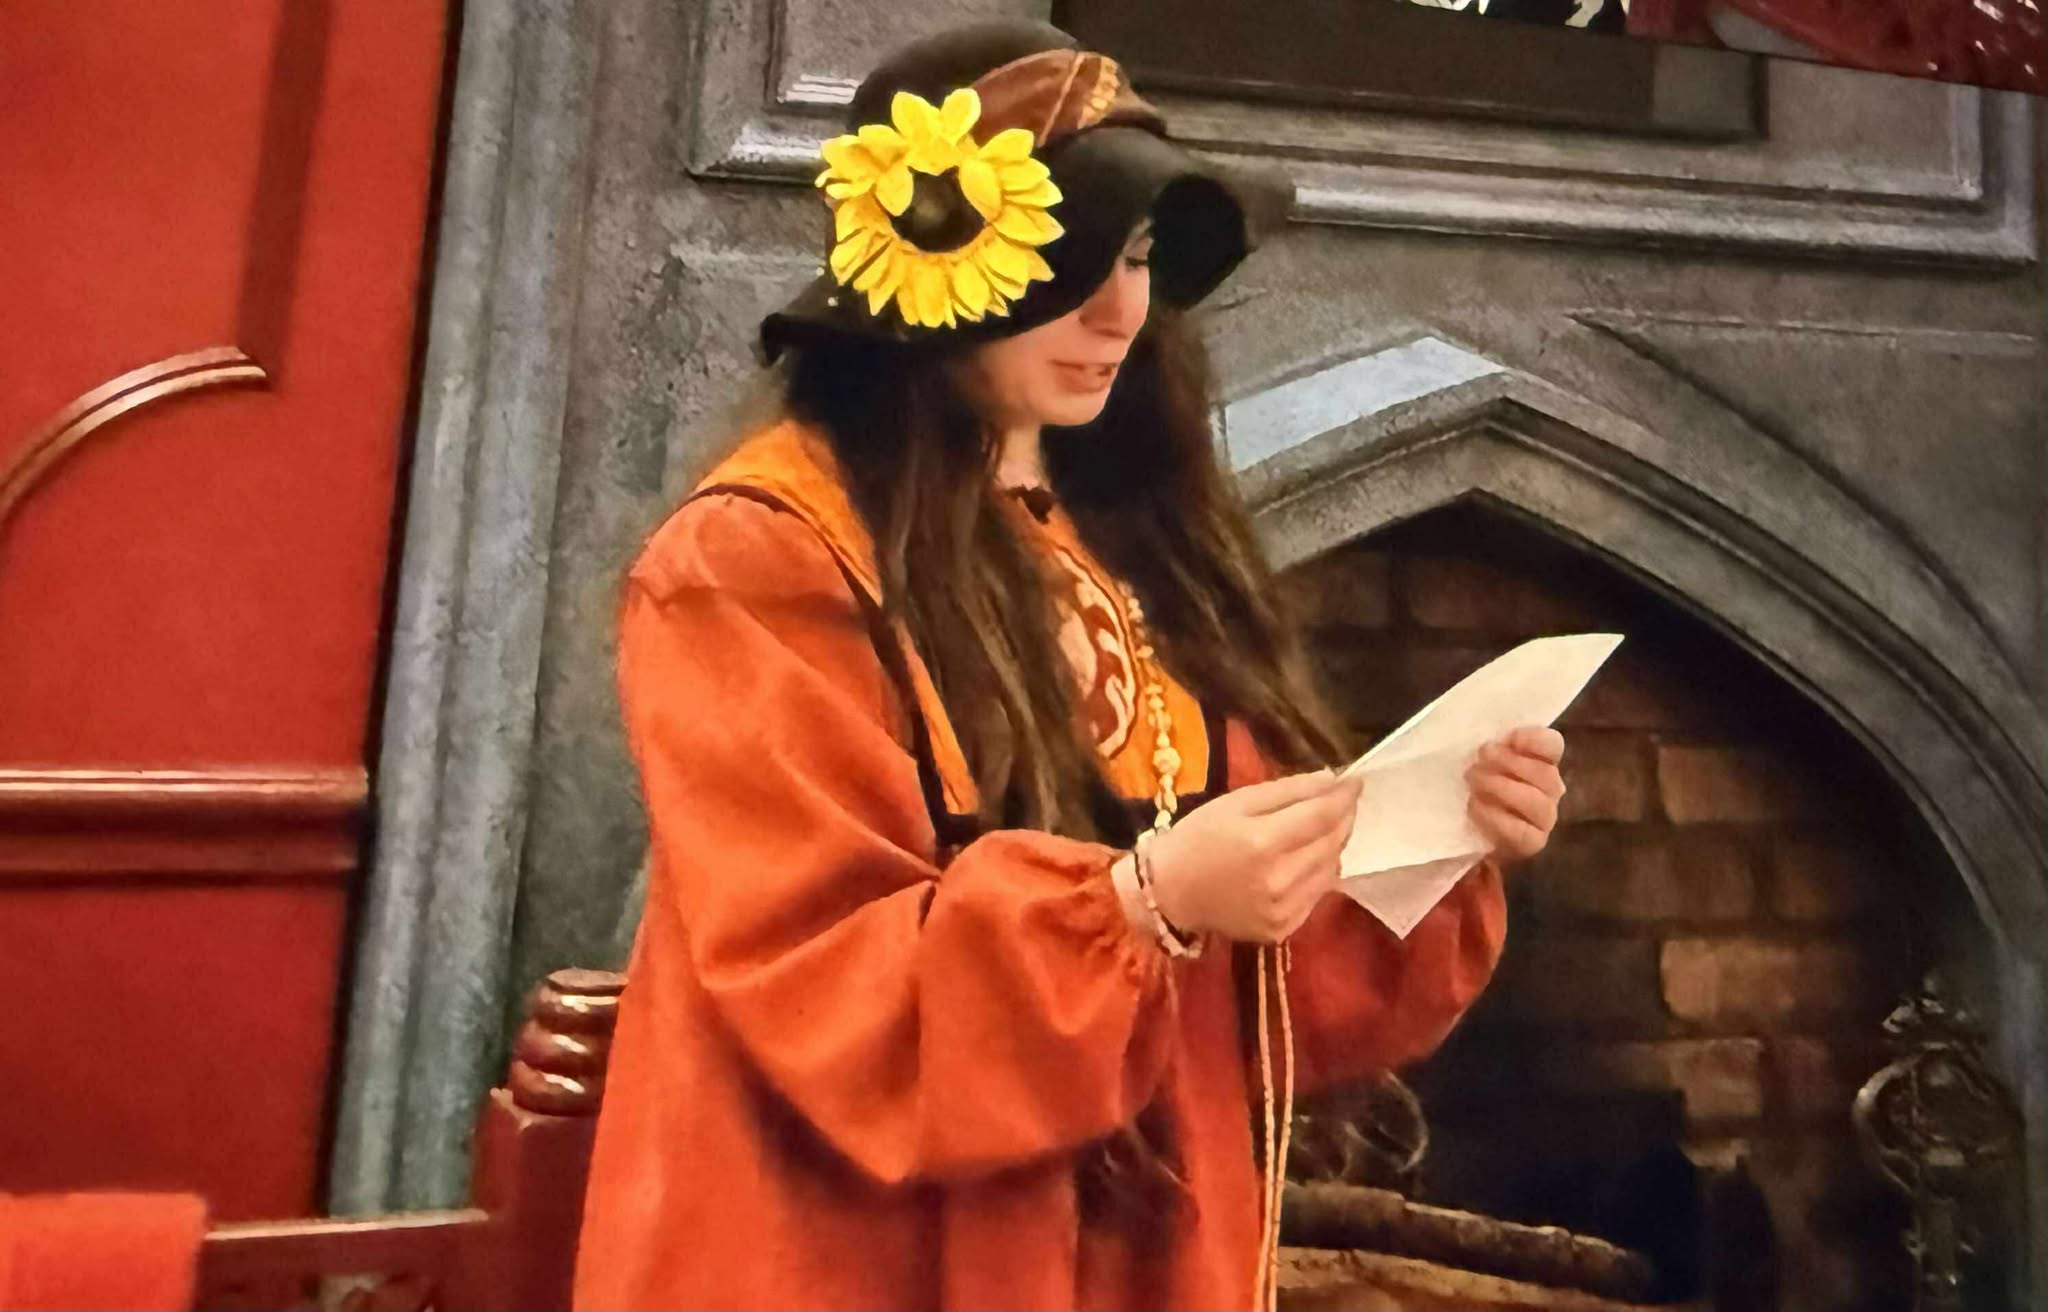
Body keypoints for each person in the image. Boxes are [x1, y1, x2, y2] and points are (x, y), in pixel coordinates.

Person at [574, 20, 1566, 1311]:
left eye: (1143, 258)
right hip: (856, 1261)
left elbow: (1262, 1004)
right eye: (1075, 255)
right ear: (934, 263)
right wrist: (1142, 905)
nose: (1122, 309)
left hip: (1142, 1259)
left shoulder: (1134, 553)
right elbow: (830, 989)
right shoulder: (756, 561)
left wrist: (1426, 842)